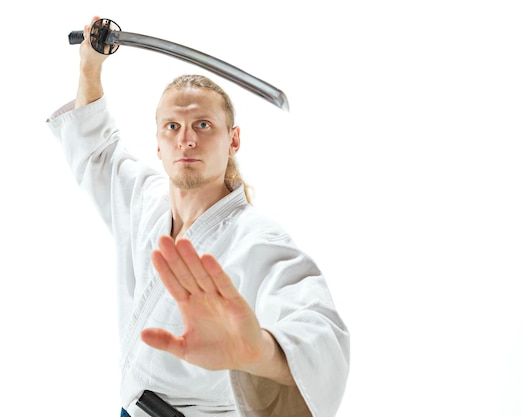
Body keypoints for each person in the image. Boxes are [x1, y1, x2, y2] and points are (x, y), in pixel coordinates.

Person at [47, 15, 349, 417]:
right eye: (172, 126)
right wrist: (90, 65)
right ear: (157, 143)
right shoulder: (145, 200)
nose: (186, 138)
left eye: (203, 125)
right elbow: (94, 149)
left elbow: (318, 330)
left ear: (233, 140)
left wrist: (260, 352)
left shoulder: (258, 240)